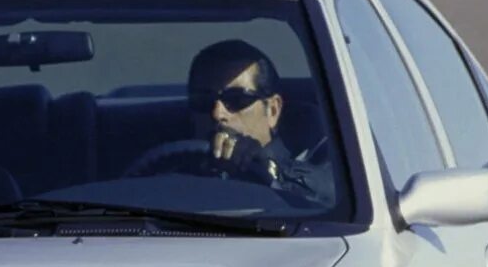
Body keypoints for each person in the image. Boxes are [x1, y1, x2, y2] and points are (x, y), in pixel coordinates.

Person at [124, 39, 332, 206]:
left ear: (273, 110)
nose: (217, 113)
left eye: (237, 99)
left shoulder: (320, 167)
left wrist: (269, 170)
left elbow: (328, 203)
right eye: (203, 101)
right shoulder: (167, 172)